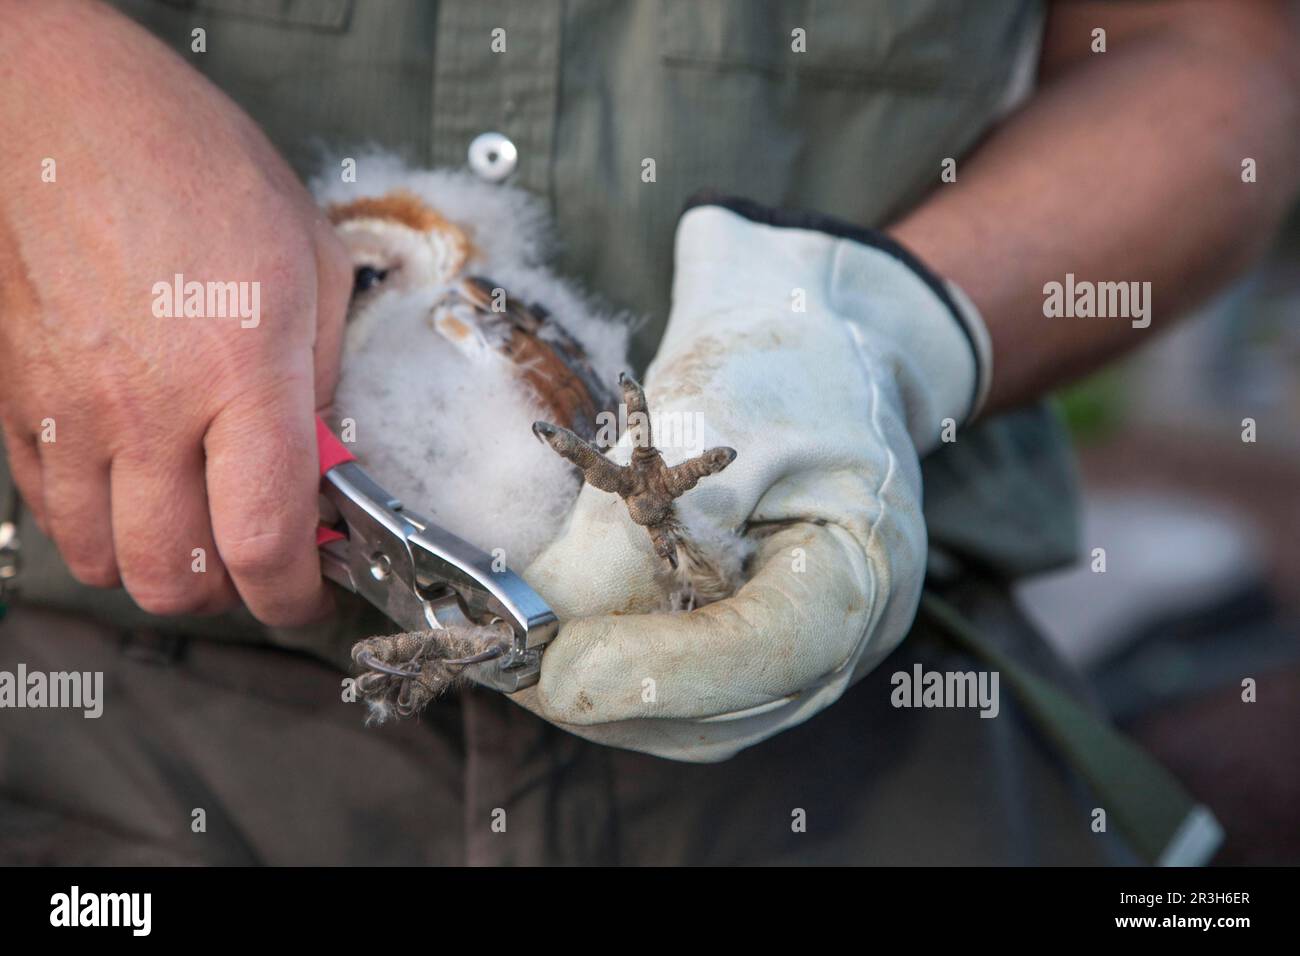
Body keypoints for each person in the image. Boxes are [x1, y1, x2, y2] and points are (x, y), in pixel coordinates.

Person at [1, 0, 1297, 864]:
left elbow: (1217, 54)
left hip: (861, 724)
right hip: (97, 734)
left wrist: (877, 333)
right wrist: (35, 80)